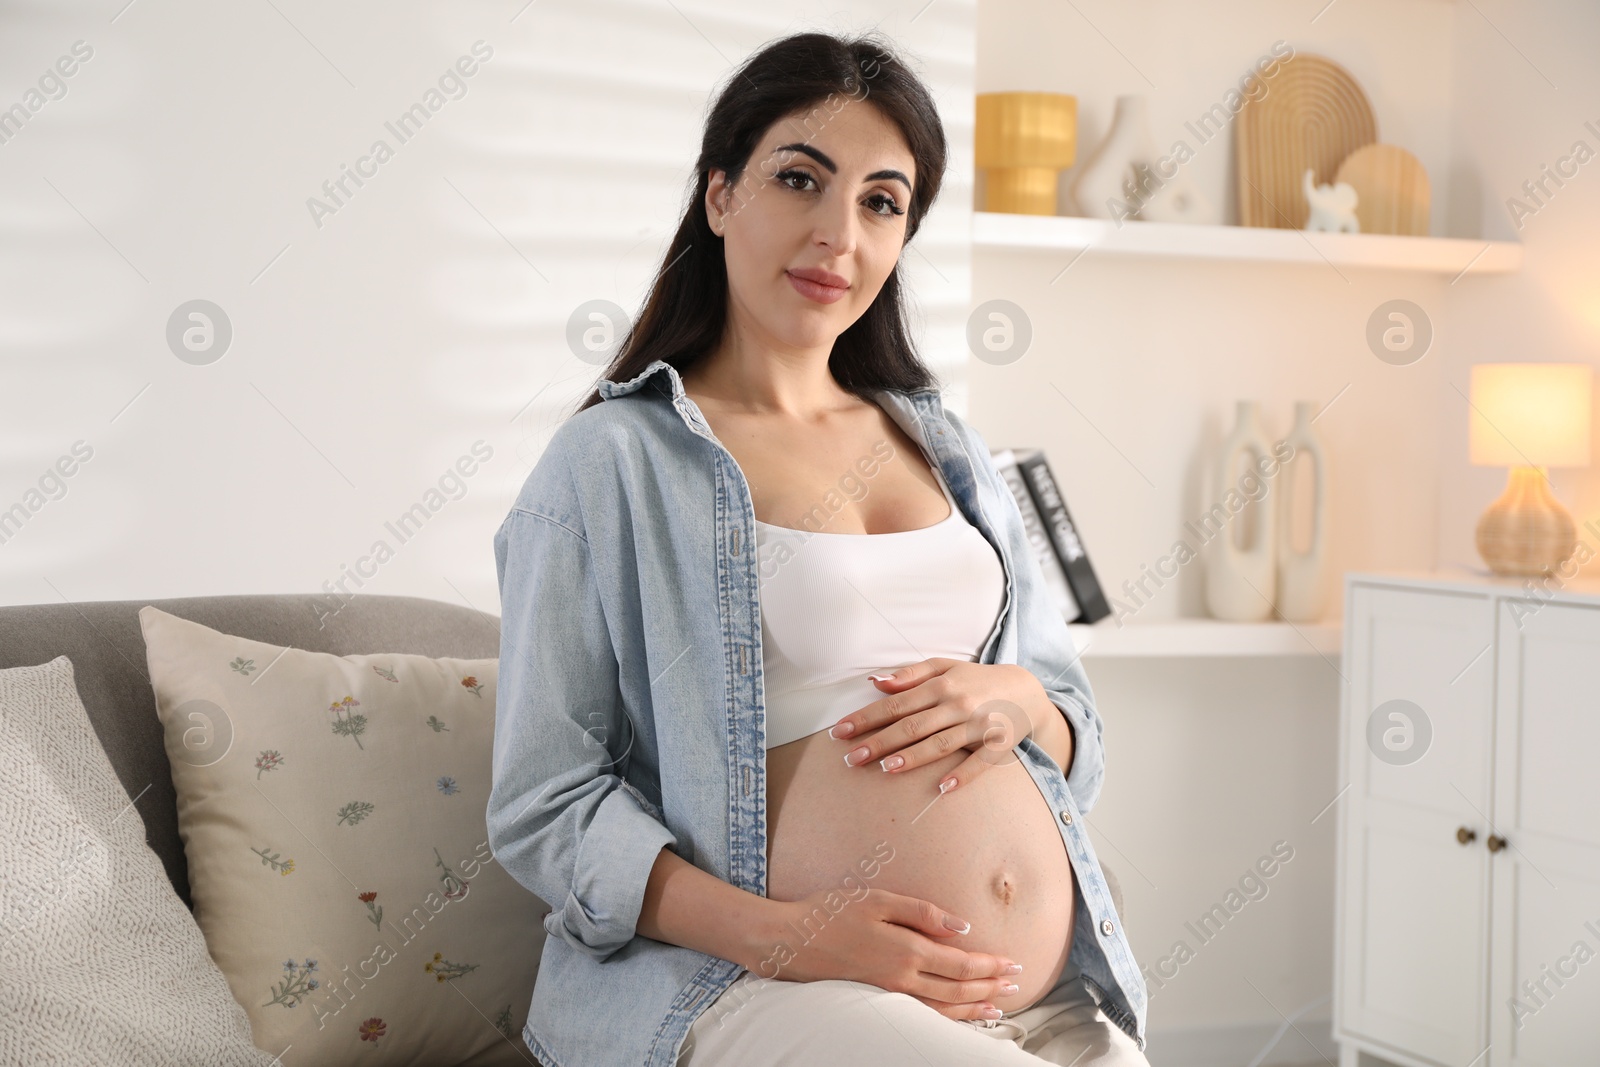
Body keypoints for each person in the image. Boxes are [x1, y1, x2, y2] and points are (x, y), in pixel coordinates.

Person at [488, 29, 1149, 1067]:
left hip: (1038, 999)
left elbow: (1072, 728)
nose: (837, 232)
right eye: (801, 179)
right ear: (719, 197)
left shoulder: (950, 450)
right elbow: (543, 802)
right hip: (755, 982)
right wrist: (788, 933)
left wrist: (1015, 701)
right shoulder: (613, 461)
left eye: (881, 201)